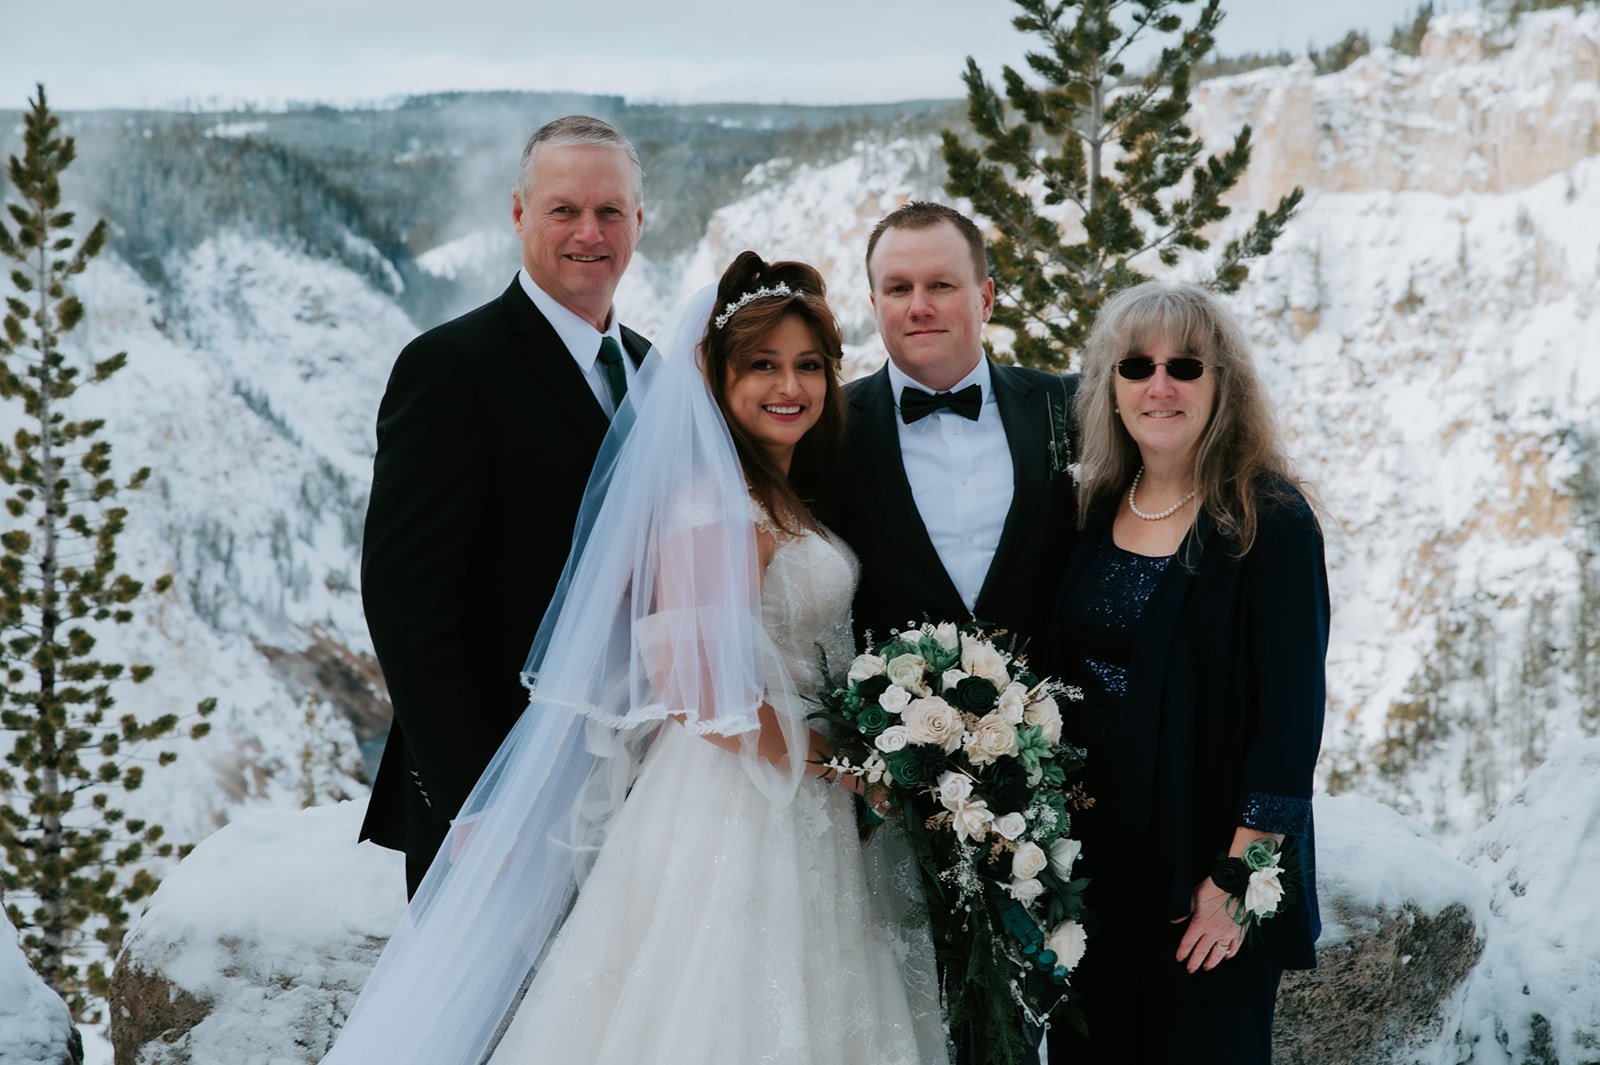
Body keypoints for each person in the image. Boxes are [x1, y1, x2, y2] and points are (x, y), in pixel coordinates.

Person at [321, 254, 946, 1065]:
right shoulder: (710, 506)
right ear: (718, 379)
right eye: (762, 365)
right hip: (737, 805)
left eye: (807, 366)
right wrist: (848, 762)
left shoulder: (780, 493)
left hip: (802, 800)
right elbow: (695, 691)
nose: (788, 386)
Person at [359, 115, 649, 896]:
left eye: (610, 211)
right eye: (564, 210)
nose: (590, 232)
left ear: (639, 222)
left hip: (633, 788)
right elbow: (406, 602)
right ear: (519, 214)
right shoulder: (449, 368)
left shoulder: (655, 373)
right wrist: (473, 801)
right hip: (499, 800)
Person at [1043, 280, 1327, 1064]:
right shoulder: (1096, 504)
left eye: (1185, 367)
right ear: (1110, 384)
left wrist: (1237, 881)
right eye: (1136, 366)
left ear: (1222, 383)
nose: (1159, 385)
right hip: (1091, 876)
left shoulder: (1269, 520)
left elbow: (1290, 721)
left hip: (1204, 878)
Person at [830, 200, 1077, 1065]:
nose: (919, 304)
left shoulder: (1069, 409)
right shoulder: (826, 426)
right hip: (890, 792)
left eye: (942, 284)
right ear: (873, 300)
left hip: (1061, 781)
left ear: (989, 295)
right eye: (897, 287)